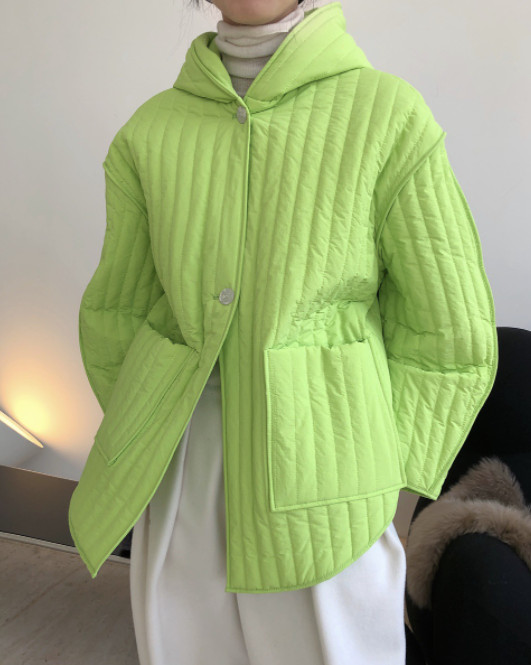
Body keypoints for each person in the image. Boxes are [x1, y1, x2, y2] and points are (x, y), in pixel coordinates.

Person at [70, 1, 498, 663]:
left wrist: (387, 482)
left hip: (333, 474)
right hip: (181, 470)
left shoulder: (386, 115)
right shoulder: (150, 130)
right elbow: (116, 312)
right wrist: (146, 433)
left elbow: (448, 332)